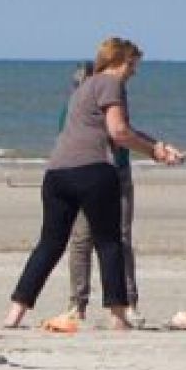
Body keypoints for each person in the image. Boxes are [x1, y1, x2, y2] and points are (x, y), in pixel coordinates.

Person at [4, 38, 183, 329]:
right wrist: (153, 151)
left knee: (49, 245)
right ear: (119, 62)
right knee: (109, 242)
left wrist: (157, 146)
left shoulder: (82, 88)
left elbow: (115, 129)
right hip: (93, 172)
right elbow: (119, 131)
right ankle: (117, 315)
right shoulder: (111, 83)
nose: (133, 73)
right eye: (132, 66)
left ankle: (14, 313)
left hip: (56, 175)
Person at [60, 61, 139, 321]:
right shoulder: (73, 107)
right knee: (82, 239)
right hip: (87, 175)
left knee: (120, 239)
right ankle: (77, 303)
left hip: (116, 173)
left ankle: (127, 303)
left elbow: (121, 133)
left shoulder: (113, 98)